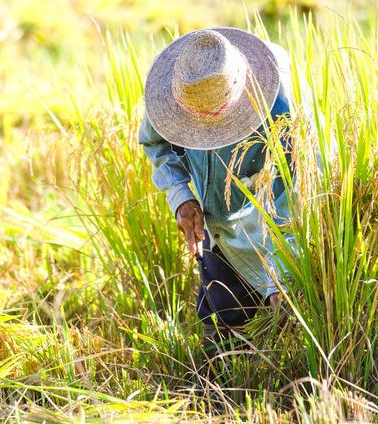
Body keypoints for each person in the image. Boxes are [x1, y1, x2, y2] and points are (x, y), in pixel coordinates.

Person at [138, 27, 310, 357]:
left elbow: (295, 195)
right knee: (222, 335)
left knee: (287, 330)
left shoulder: (282, 105)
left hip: (270, 222)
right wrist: (181, 197)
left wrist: (281, 277)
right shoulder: (178, 86)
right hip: (215, 225)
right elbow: (154, 141)